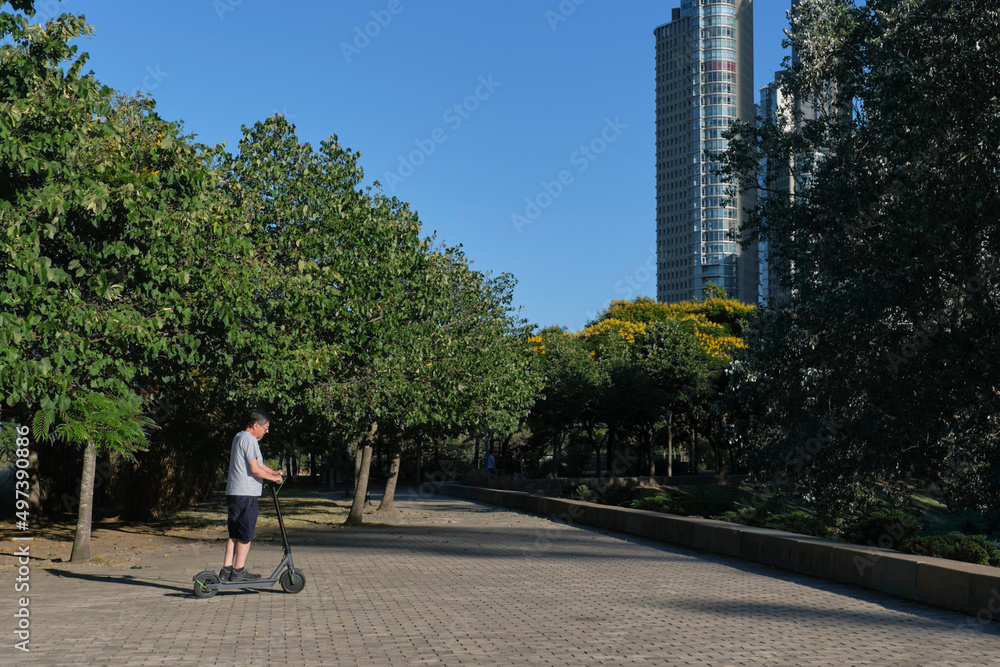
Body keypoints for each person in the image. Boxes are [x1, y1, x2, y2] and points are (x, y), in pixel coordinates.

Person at [220, 409, 283, 582]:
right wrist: (274, 479)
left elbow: (258, 464)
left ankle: (227, 570)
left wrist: (273, 472)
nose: (267, 431)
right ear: (256, 425)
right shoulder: (250, 439)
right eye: (266, 427)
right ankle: (239, 571)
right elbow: (255, 469)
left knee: (234, 534)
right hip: (246, 495)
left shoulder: (239, 437)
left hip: (234, 493)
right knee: (245, 535)